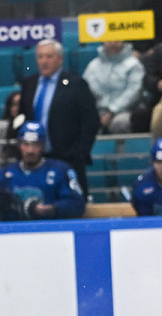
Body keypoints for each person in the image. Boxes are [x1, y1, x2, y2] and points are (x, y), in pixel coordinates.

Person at [18, 39, 101, 197]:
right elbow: (22, 116)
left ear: (60, 59)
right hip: (35, 159)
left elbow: (91, 121)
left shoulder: (76, 84)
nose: (44, 61)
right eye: (40, 57)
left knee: (71, 201)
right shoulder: (29, 83)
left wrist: (79, 151)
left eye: (49, 56)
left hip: (67, 157)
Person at [0, 121, 85, 221]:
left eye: (36, 144)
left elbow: (77, 203)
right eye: (26, 144)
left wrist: (52, 208)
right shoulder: (5, 173)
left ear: (43, 146)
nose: (30, 150)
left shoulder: (60, 170)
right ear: (19, 145)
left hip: (49, 228)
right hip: (15, 229)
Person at [84, 40, 145, 135]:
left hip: (126, 110)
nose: (111, 43)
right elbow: (85, 89)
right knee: (85, 122)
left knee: (119, 123)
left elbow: (134, 91)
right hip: (98, 109)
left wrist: (112, 111)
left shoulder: (134, 64)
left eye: (116, 40)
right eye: (108, 40)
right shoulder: (93, 65)